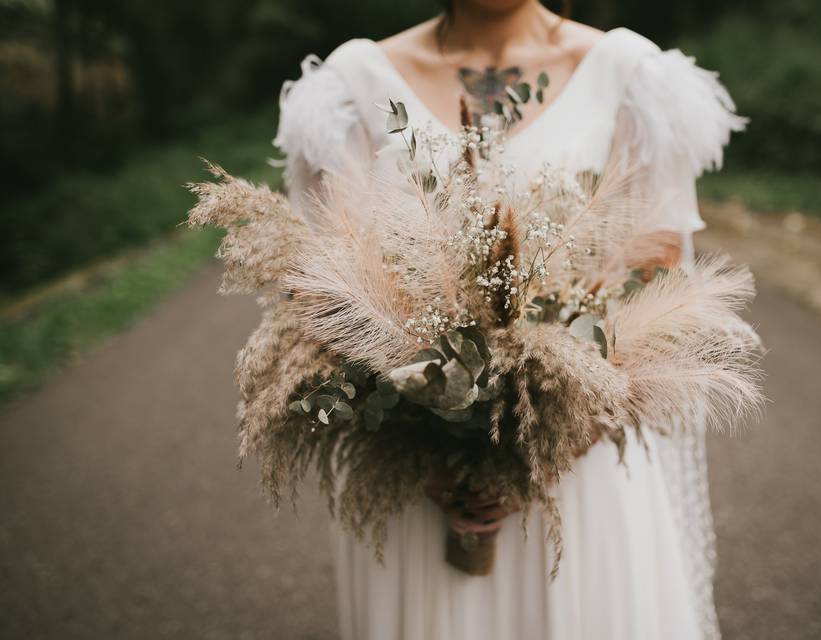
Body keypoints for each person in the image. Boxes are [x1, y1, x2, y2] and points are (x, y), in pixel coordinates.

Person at [274, 1, 745, 638]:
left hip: (580, 467)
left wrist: (554, 440)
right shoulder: (353, 84)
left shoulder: (630, 75)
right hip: (418, 478)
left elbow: (658, 273)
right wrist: (430, 448)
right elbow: (323, 287)